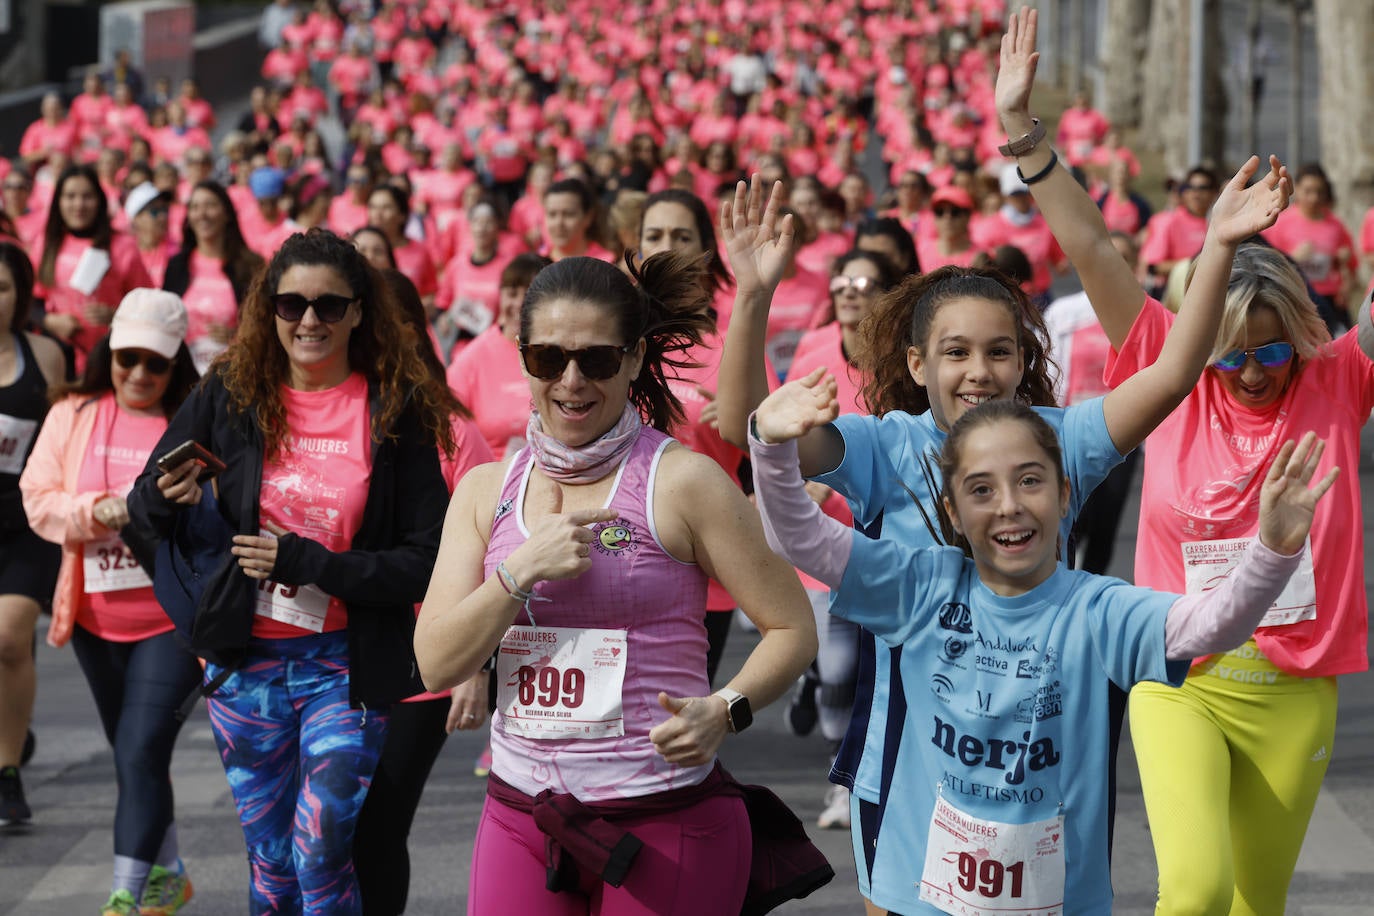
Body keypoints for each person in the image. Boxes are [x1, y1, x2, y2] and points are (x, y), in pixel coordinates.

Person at [715, 119, 1288, 912]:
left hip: (1043, 741)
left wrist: (1218, 247)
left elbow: (1172, 373)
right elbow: (758, 429)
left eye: (999, 352)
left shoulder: (1064, 441)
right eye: (955, 353)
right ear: (917, 364)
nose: (979, 372)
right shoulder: (888, 445)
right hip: (911, 735)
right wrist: (752, 296)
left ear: (1026, 359)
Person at [996, 9, 1367, 911]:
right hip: (1179, 677)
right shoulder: (1173, 374)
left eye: (1270, 353)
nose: (1248, 372)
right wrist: (1022, 132)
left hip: (1292, 687)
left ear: (1303, 341)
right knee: (1195, 888)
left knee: (1254, 903)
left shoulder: (1338, 378)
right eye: (1230, 353)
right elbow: (1091, 247)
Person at [748, 379, 1334, 915]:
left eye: (1030, 480)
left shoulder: (1099, 610)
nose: (1009, 504)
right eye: (981, 489)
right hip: (928, 896)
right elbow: (798, 536)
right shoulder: (919, 587)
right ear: (952, 511)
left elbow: (1212, 626)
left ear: (1063, 493)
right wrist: (770, 446)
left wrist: (1272, 551)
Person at [414, 252, 820, 915]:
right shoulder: (488, 489)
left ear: (632, 359)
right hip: (523, 812)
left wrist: (727, 709)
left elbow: (792, 626)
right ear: (524, 359)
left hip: (662, 812)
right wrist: (517, 574)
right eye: (549, 358)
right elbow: (435, 663)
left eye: (597, 360)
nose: (572, 381)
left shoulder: (683, 481)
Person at [126, 229, 455, 916]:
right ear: (268, 309)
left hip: (346, 665)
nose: (309, 320)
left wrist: (308, 562)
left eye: (329, 306)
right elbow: (141, 507)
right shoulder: (230, 393)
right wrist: (167, 493)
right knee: (272, 862)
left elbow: (428, 561)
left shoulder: (394, 409)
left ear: (359, 312)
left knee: (321, 847)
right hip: (246, 669)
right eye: (291, 304)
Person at [20, 289, 201, 916]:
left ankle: (124, 893)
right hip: (96, 620)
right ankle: (169, 872)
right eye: (128, 359)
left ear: (177, 364)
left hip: (169, 623)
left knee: (140, 748)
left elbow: (221, 514)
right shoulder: (72, 412)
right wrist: (96, 512)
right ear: (108, 354)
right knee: (138, 758)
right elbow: (37, 497)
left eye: (157, 363)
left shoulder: (195, 423)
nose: (140, 375)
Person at [352, 270, 492, 916]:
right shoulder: (323, 415)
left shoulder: (452, 429)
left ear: (413, 331)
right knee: (328, 832)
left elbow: (495, 553)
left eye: (389, 323)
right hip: (331, 651)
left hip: (424, 661)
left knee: (379, 826)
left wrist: (474, 665)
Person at [782, 249, 901, 834]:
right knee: (836, 671)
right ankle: (839, 772)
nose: (850, 292)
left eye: (865, 282)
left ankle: (858, 781)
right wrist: (804, 490)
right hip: (824, 544)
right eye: (842, 281)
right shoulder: (809, 354)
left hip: (887, 545)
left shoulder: (903, 363)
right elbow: (785, 437)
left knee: (870, 670)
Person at [0, 243, 65, 828]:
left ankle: (7, 772)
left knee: (9, 639)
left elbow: (65, 432)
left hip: (25, 525)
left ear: (20, 293)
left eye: (2, 287)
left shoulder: (43, 353)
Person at [33, 165, 153, 374]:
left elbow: (148, 304)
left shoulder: (122, 245)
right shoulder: (45, 243)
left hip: (109, 361)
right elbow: (29, 302)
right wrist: (50, 321)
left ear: (99, 200)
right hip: (55, 359)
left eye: (87, 196)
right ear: (58, 201)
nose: (78, 204)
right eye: (70, 196)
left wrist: (116, 315)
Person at [162, 180, 265, 374]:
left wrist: (238, 336)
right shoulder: (177, 266)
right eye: (195, 207)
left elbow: (265, 324)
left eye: (210, 205)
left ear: (227, 213)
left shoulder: (250, 266)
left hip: (234, 374)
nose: (202, 214)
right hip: (182, 377)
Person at [1260, 162, 1355, 334]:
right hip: (1296, 298)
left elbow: (1350, 265)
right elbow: (1263, 262)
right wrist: (1292, 258)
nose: (1314, 197)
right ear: (1297, 189)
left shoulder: (1335, 225)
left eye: (1319, 192)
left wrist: (1344, 270)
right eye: (1308, 191)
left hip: (1330, 301)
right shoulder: (1280, 222)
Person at [542, 178, 615, 263]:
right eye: (552, 214)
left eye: (568, 214)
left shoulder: (607, 264)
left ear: (588, 217)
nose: (559, 223)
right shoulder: (536, 264)